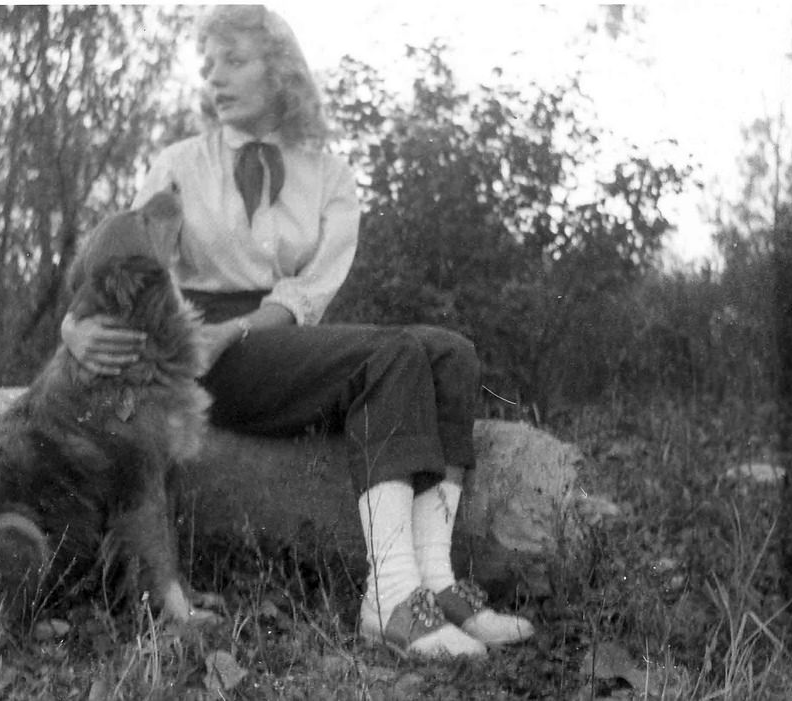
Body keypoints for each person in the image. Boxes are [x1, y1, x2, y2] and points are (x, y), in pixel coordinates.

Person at [62, 4, 533, 659]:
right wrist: (73, 325)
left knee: (450, 353)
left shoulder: (330, 175)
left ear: (279, 71)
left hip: (276, 335)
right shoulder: (179, 162)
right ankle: (390, 597)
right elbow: (122, 258)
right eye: (209, 66)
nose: (215, 79)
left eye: (234, 60)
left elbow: (312, 289)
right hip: (194, 349)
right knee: (393, 354)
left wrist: (247, 327)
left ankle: (438, 583)